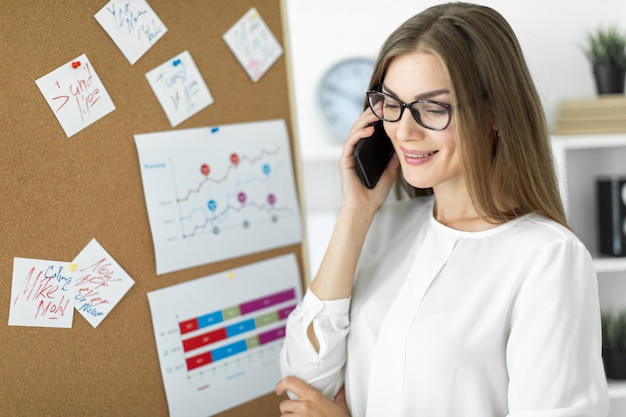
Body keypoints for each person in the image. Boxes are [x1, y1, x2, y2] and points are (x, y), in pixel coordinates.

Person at [276, 2, 610, 417]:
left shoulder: (547, 258)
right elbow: (302, 385)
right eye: (390, 104)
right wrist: (355, 213)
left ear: (494, 114)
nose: (404, 130)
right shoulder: (379, 228)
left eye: (433, 108)